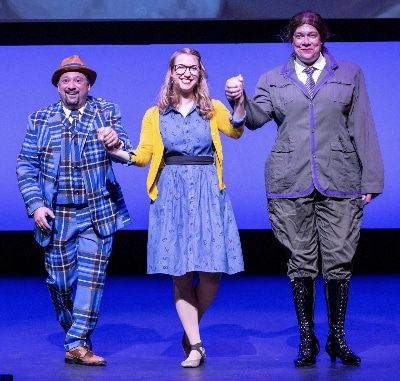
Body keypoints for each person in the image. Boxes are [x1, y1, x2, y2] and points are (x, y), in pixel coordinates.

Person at [225, 10, 384, 367]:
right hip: (289, 179)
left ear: (322, 38)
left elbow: (364, 125)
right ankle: (307, 339)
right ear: (291, 40)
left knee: (340, 260)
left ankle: (337, 338)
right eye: (299, 37)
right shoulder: (273, 78)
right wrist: (238, 99)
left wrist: (371, 179)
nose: (306, 41)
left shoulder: (349, 74)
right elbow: (254, 120)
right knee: (301, 262)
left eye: (312, 35)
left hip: (340, 178)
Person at [98, 47, 245, 368]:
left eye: (193, 68)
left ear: (201, 73)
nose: (187, 73)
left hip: (208, 190)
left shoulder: (212, 108)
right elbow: (142, 156)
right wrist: (116, 150)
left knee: (212, 274)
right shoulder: (155, 114)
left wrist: (239, 100)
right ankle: (195, 343)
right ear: (172, 73)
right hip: (172, 195)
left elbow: (235, 130)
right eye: (180, 68)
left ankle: (190, 328)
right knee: (181, 273)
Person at [16, 55, 132, 366]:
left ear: (88, 85)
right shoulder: (39, 119)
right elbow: (26, 165)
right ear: (57, 87)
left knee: (92, 279)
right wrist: (36, 205)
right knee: (60, 284)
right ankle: (75, 336)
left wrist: (115, 140)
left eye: (78, 80)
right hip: (56, 216)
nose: (71, 85)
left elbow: (129, 151)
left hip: (97, 211)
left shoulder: (105, 111)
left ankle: (78, 342)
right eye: (65, 80)